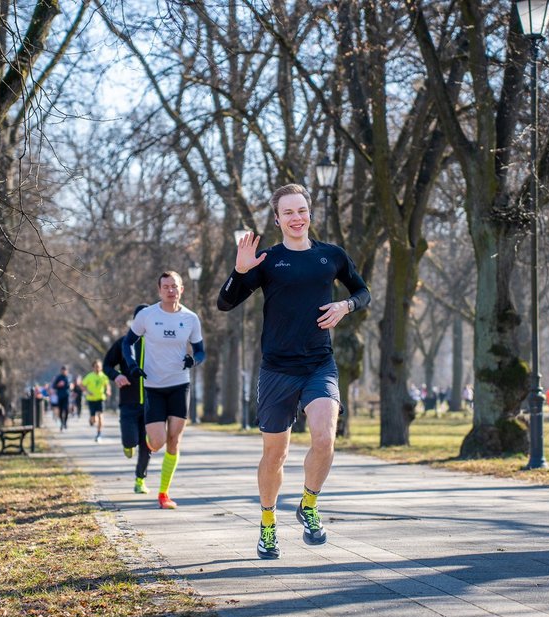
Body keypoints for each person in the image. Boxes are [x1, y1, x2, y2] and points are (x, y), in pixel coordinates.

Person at [217, 182, 371, 560]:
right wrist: (239, 271)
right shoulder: (267, 260)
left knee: (324, 438)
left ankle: (309, 504)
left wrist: (346, 307)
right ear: (277, 219)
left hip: (319, 363)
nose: (296, 218)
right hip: (277, 369)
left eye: (301, 210)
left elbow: (363, 291)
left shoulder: (331, 255)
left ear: (309, 214)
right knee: (275, 455)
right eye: (288, 212)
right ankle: (268, 524)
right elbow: (225, 303)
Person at [121, 271, 205, 510]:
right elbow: (128, 342)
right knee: (157, 442)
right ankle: (147, 443)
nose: (170, 290)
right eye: (166, 286)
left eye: (174, 286)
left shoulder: (191, 318)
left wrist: (194, 360)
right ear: (159, 290)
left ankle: (163, 493)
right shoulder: (147, 316)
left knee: (174, 441)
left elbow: (200, 350)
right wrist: (133, 366)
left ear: (182, 289)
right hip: (153, 386)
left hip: (180, 384)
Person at [104, 304, 153, 494]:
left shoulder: (157, 343)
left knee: (147, 446)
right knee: (131, 441)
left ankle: (140, 480)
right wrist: (116, 376)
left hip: (152, 403)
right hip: (128, 403)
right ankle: (127, 445)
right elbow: (107, 364)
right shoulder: (124, 342)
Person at [83, 360, 111, 441]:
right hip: (91, 400)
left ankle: (99, 434)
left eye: (99, 366)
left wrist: (108, 391)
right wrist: (87, 392)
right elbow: (82, 385)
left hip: (100, 399)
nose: (97, 368)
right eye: (96, 367)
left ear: (101, 367)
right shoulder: (89, 376)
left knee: (100, 416)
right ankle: (91, 419)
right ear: (93, 367)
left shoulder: (104, 376)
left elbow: (107, 385)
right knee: (94, 419)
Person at [53, 365, 71, 431]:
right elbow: (54, 386)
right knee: (60, 411)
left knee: (66, 410)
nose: (64, 371)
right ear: (61, 371)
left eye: (65, 370)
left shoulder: (69, 377)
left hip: (66, 396)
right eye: (63, 370)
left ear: (67, 371)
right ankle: (61, 422)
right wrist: (58, 385)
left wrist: (71, 386)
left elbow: (71, 386)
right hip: (60, 396)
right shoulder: (58, 377)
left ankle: (65, 422)